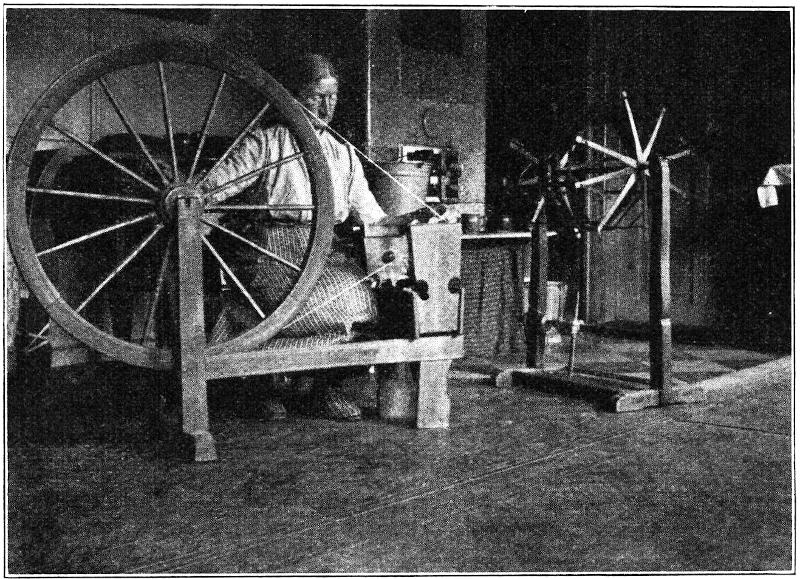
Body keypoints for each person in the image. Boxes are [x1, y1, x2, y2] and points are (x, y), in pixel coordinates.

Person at [202, 54, 387, 421]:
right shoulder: (266, 143)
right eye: (317, 97)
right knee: (339, 304)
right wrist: (195, 206)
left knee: (370, 304)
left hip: (324, 256)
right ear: (292, 97)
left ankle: (316, 390)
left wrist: (410, 220)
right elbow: (211, 190)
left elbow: (373, 218)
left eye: (333, 97)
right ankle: (263, 387)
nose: (327, 107)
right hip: (269, 255)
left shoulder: (343, 154)